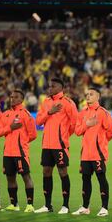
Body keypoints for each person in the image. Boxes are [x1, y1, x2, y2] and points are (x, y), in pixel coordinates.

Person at [35, 78, 78, 214]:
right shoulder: (46, 102)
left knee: (62, 172)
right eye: (49, 86)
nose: (50, 88)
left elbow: (74, 124)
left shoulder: (68, 103)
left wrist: (63, 136)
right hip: (46, 145)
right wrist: (49, 112)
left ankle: (65, 206)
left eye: (53, 86)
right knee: (46, 172)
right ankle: (48, 205)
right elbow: (38, 121)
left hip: (60, 145)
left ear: (60, 87)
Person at [73, 87, 112, 216]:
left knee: (101, 178)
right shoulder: (82, 113)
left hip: (98, 153)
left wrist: (101, 143)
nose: (88, 96)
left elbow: (111, 132)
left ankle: (104, 207)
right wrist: (87, 124)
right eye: (87, 94)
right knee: (86, 179)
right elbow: (77, 131)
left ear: (98, 97)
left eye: (91, 94)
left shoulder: (103, 112)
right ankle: (85, 207)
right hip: (85, 154)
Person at [0, 90, 37, 212]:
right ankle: (14, 204)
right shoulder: (5, 114)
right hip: (8, 153)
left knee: (26, 177)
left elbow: (33, 134)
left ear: (21, 99)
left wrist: (21, 143)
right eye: (11, 97)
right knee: (10, 178)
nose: (12, 99)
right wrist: (11, 128)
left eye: (16, 97)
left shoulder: (25, 114)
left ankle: (30, 205)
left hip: (20, 152)